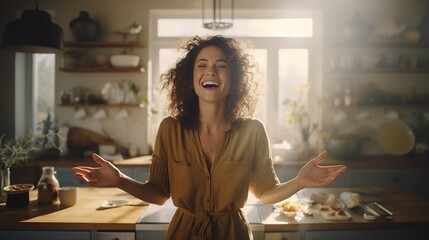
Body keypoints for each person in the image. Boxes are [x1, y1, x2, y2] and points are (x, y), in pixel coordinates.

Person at [72, 35, 347, 240]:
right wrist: (120, 180)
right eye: (201, 65)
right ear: (190, 78)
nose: (210, 71)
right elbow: (158, 193)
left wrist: (300, 181)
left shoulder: (253, 131)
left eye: (221, 65)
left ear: (234, 78)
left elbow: (264, 193)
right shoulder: (170, 129)